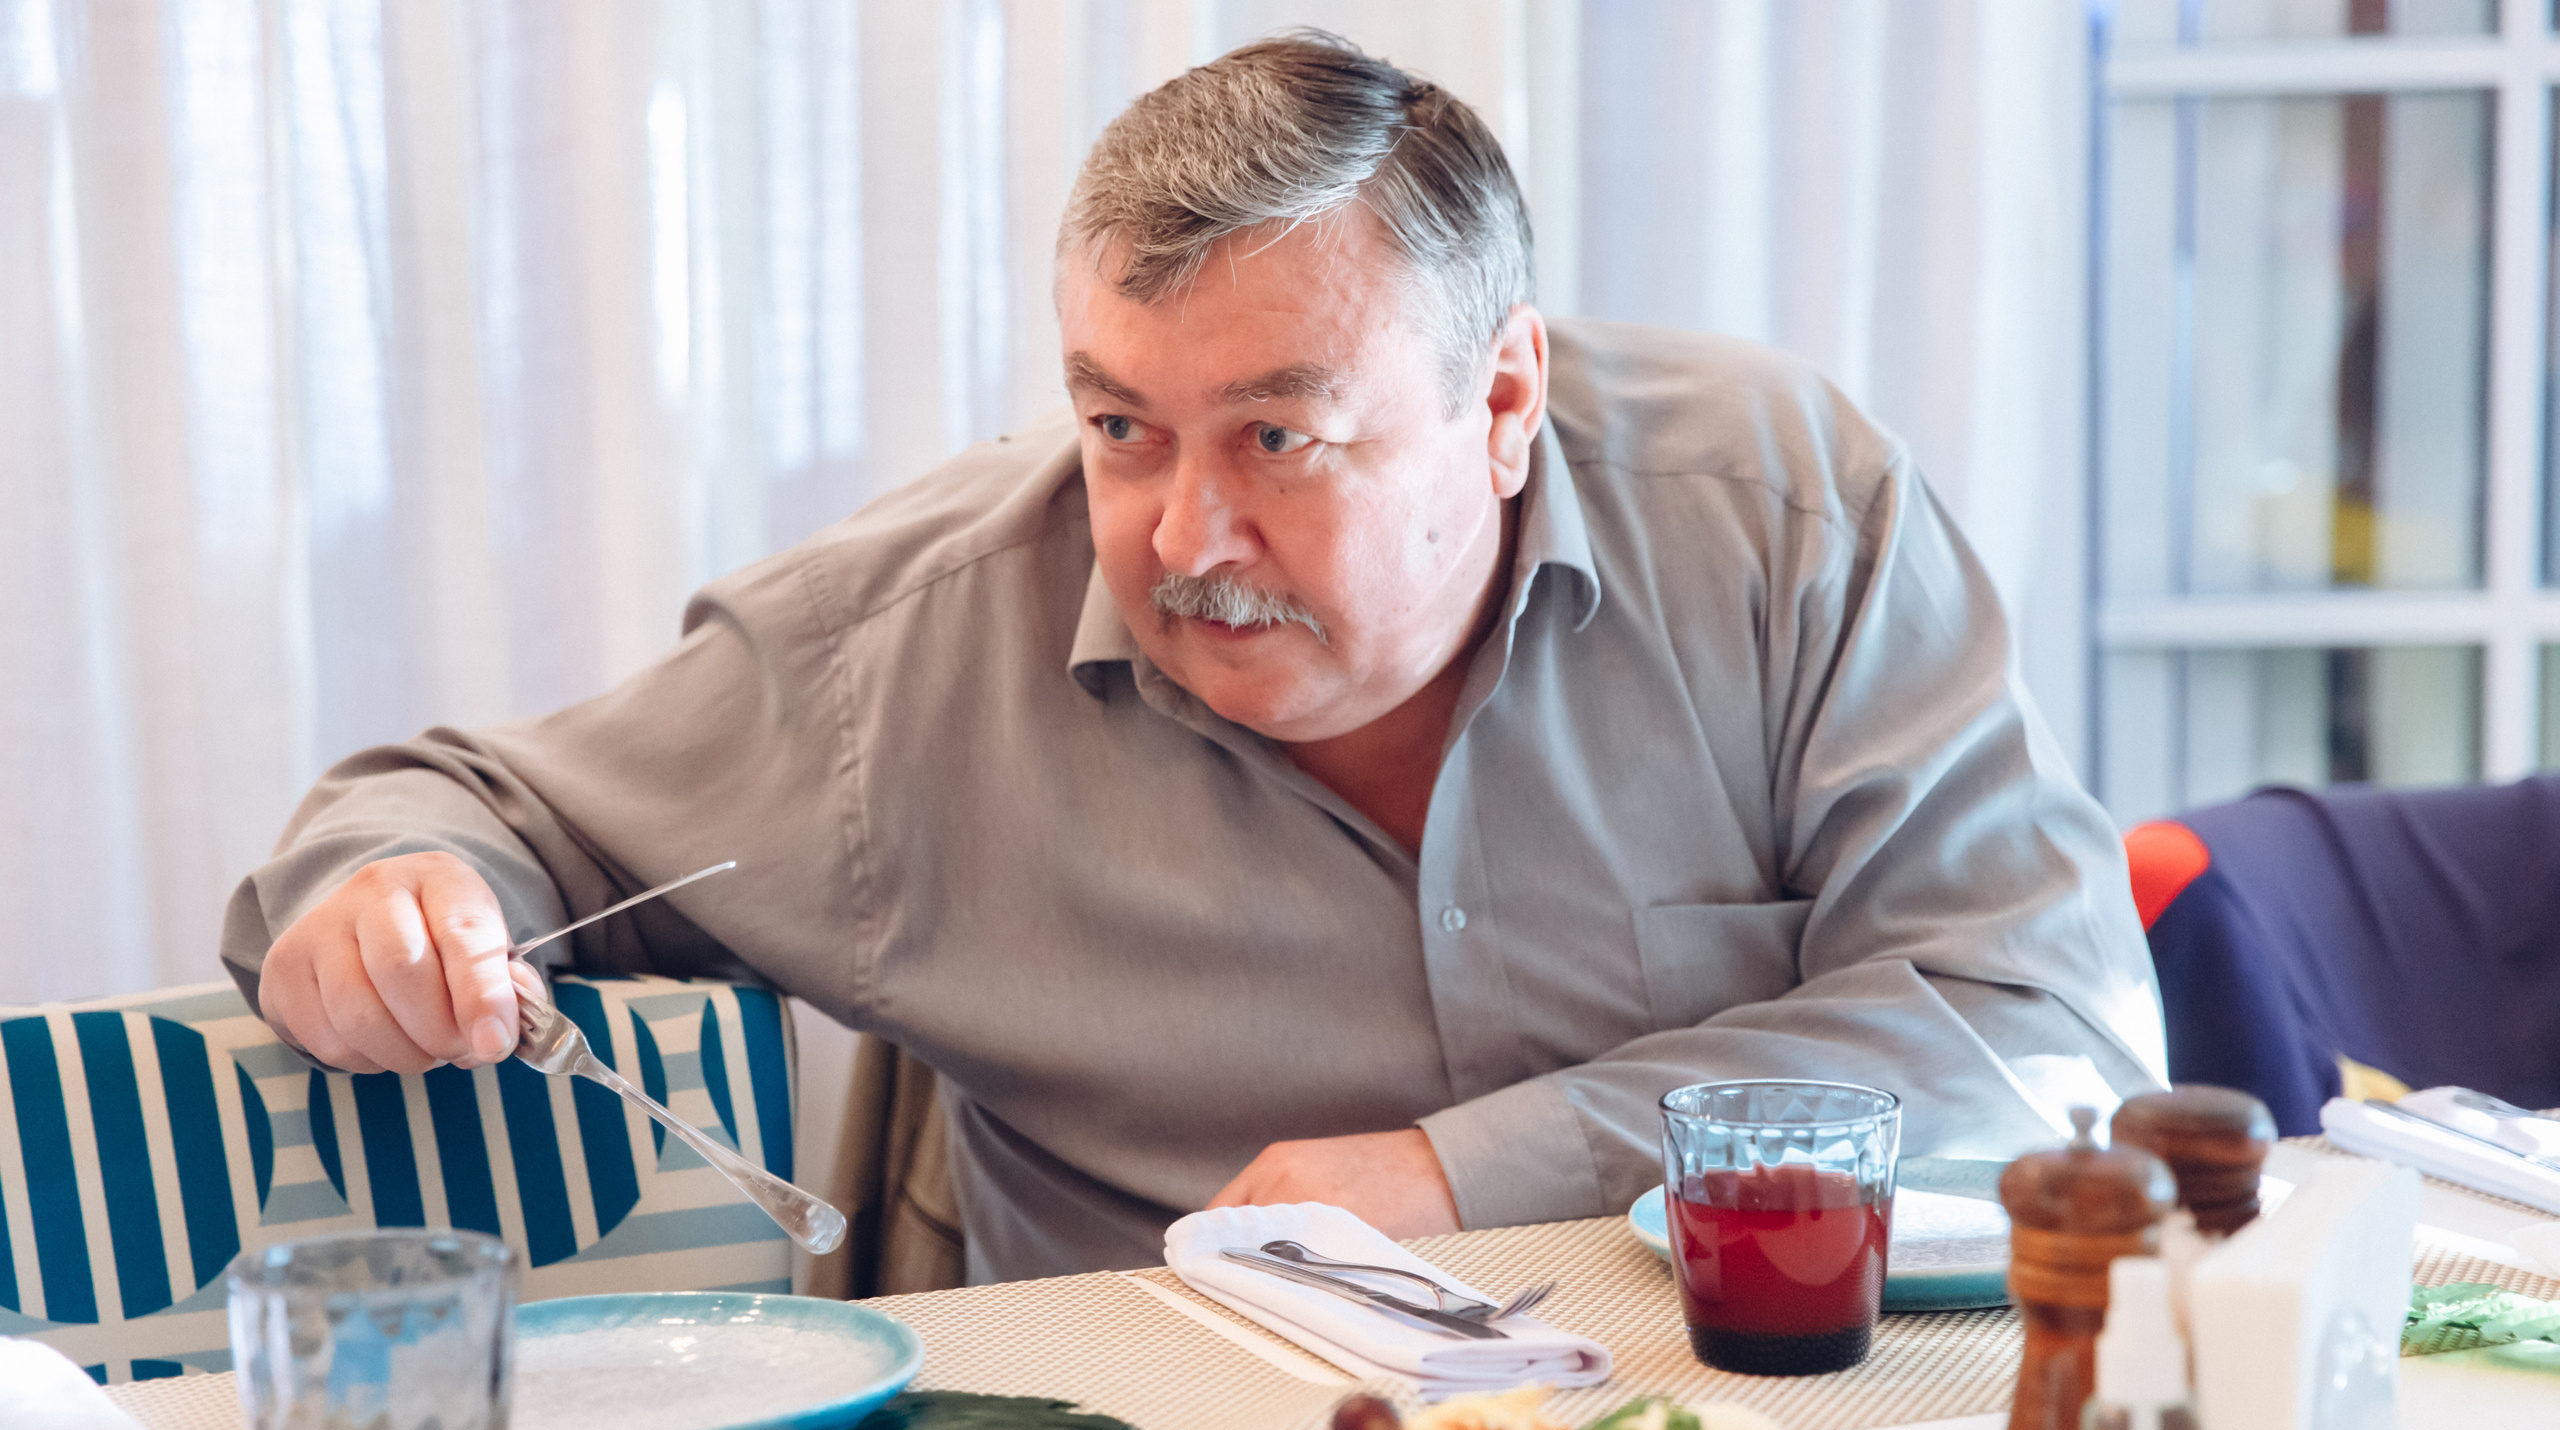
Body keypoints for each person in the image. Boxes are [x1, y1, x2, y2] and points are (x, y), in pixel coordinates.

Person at [223, 33, 2166, 1283]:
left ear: (1501, 400)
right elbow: (459, 814)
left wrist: (1451, 1171)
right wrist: (387, 895)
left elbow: (2044, 1028)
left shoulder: (1774, 513)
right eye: (1119, 424)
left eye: (1274, 438)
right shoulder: (905, 653)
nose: (1176, 536)